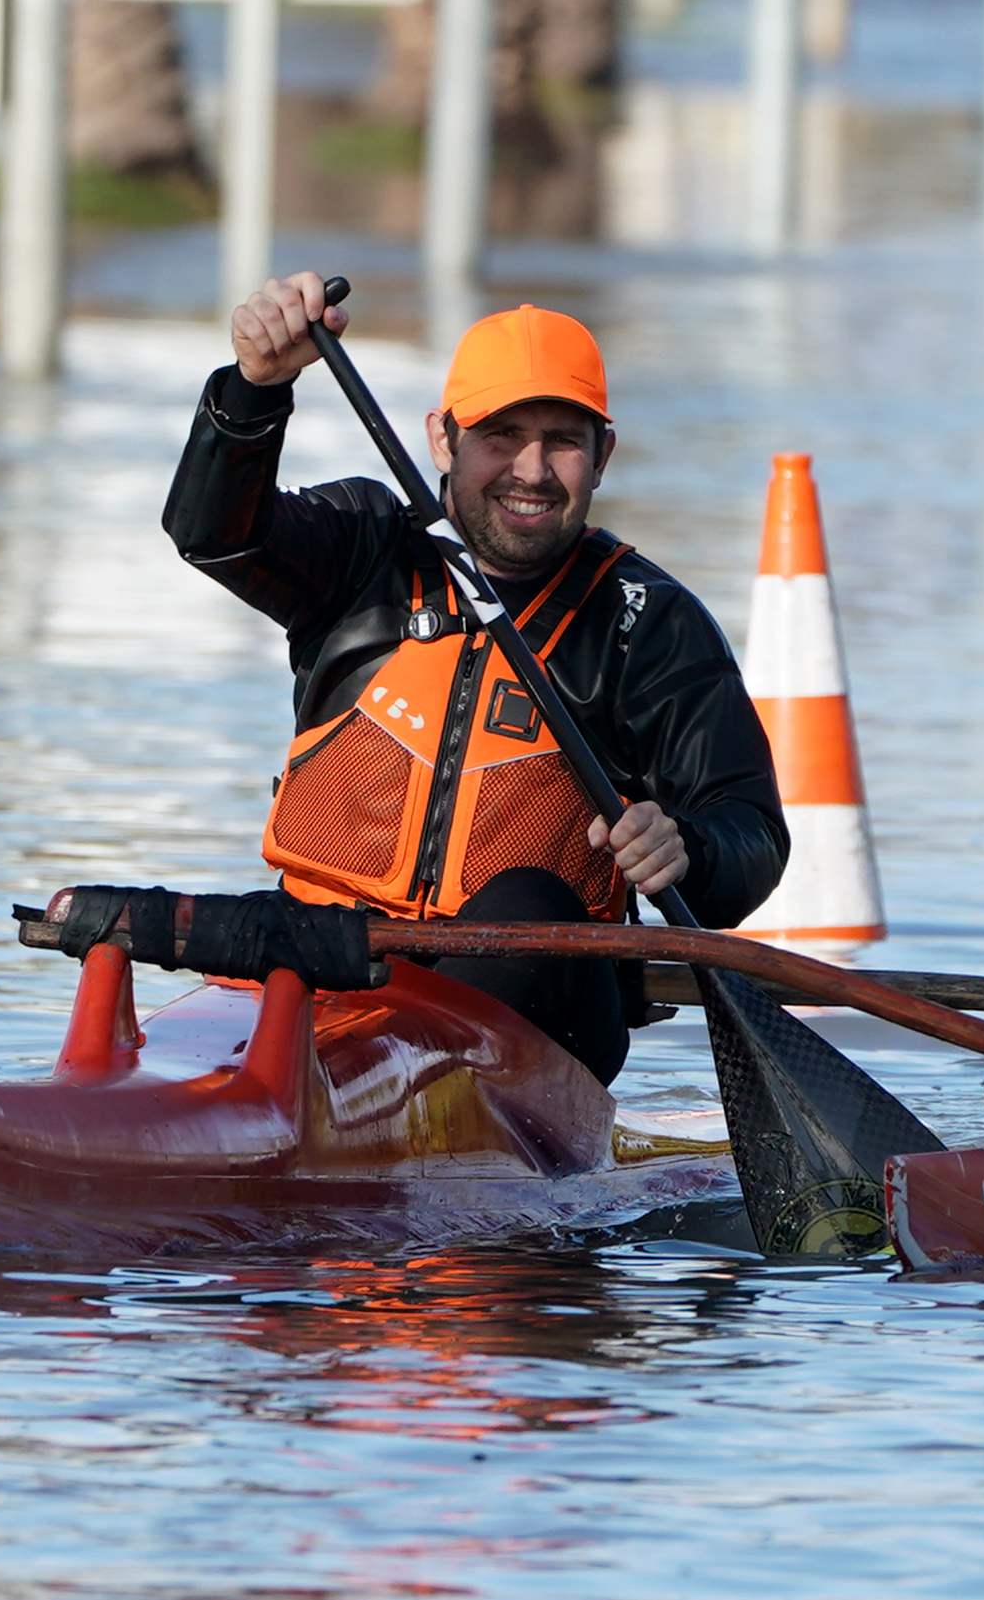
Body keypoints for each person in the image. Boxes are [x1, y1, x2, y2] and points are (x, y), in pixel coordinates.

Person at [164, 275, 784, 1084]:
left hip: (538, 1017)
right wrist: (254, 391)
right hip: (326, 976)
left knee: (527, 901)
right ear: (442, 439)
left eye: (562, 439)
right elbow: (211, 533)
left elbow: (753, 832)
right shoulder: (364, 548)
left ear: (604, 455)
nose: (531, 469)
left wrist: (687, 847)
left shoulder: (651, 622)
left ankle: (396, 1089)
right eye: (501, 434)